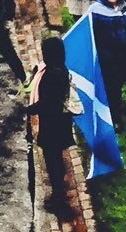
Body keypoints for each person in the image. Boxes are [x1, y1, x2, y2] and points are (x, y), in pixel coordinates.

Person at [27, 33, 81, 219]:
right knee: (56, 157)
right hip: (61, 123)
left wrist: (30, 109)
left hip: (52, 125)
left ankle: (59, 197)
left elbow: (48, 103)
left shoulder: (51, 75)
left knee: (53, 161)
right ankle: (60, 191)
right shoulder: (61, 69)